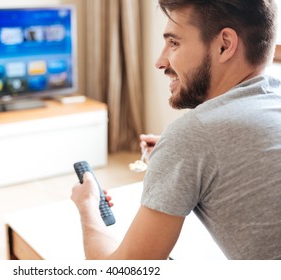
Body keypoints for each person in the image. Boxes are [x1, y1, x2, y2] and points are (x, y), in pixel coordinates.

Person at [71, 0, 281, 260]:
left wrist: (88, 206)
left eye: (174, 43)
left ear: (224, 45)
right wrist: (189, 159)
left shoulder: (195, 134)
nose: (160, 62)